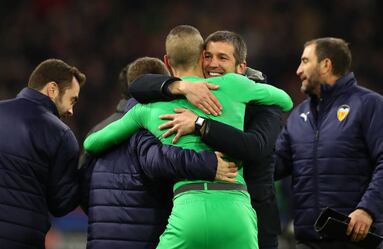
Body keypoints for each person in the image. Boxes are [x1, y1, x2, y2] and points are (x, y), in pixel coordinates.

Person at [84, 25, 293, 249]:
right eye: (210, 56)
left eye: (222, 57)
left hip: (188, 209)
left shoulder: (147, 109)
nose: (214, 64)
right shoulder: (236, 85)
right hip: (237, 209)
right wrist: (245, 83)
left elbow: (91, 143)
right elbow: (286, 101)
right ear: (201, 56)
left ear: (166, 61)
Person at [80, 56, 238, 249]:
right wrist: (210, 164)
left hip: (99, 240)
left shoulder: (98, 130)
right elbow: (159, 161)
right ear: (160, 87)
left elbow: (82, 187)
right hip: (144, 239)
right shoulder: (149, 126)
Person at [274, 37, 383, 249]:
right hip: (307, 240)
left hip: (354, 238)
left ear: (326, 65)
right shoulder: (299, 115)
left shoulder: (369, 105)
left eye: (305, 61)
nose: (298, 70)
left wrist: (367, 210)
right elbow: (273, 165)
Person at [0, 58, 86, 249]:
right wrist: (85, 173)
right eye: (72, 100)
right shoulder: (61, 134)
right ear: (52, 89)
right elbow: (61, 205)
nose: (71, 110)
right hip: (22, 240)